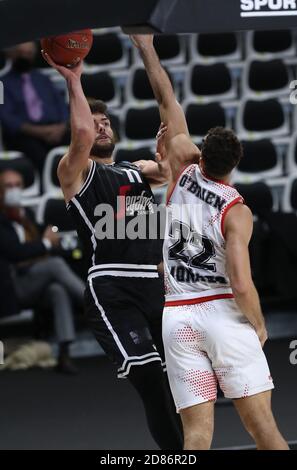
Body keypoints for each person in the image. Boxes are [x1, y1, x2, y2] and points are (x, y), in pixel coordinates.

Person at [131, 34, 289, 450]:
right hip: (222, 314)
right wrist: (257, 323)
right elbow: (240, 282)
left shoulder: (182, 166)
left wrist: (145, 45)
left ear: (201, 155)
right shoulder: (236, 208)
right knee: (264, 432)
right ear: (235, 165)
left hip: (178, 318)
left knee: (197, 437)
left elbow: (166, 98)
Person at [41, 50, 183, 449]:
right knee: (151, 380)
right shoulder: (76, 172)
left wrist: (165, 157)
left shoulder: (135, 169)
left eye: (106, 123)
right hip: (113, 286)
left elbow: (171, 167)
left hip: (156, 282)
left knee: (183, 377)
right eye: (95, 121)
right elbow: (82, 136)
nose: (100, 127)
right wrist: (74, 80)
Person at [0, 168, 85, 374]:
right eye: (8, 186)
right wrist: (46, 243)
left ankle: (64, 353)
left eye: (17, 186)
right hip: (11, 286)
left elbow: (44, 236)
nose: (14, 190)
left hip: (33, 281)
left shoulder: (25, 215)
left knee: (57, 289)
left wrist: (48, 240)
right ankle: (91, 300)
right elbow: (15, 252)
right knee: (54, 265)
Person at [0, 42, 69, 174]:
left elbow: (61, 106)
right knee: (37, 154)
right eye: (21, 53)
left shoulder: (44, 79)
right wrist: (40, 131)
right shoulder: (1, 83)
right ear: (11, 55)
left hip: (55, 130)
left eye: (28, 53)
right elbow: (6, 117)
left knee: (80, 144)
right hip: (24, 135)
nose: (24, 57)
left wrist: (60, 127)